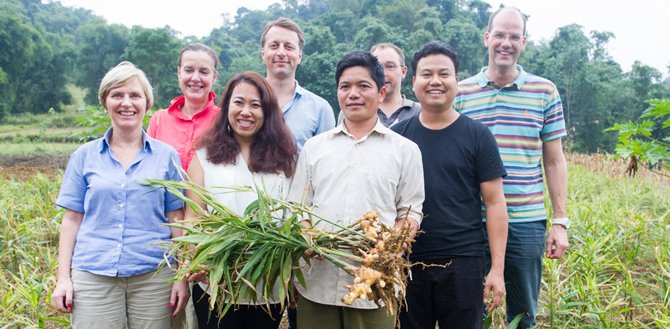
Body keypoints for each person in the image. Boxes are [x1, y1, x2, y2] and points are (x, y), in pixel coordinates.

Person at [286, 51, 424, 329]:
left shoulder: (405, 150)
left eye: (364, 86)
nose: (353, 94)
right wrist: (308, 234)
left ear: (382, 92)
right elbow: (296, 206)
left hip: (374, 287)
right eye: (345, 86)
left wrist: (388, 251)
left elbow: (411, 211)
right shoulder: (316, 148)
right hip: (317, 281)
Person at [454, 7, 570, 328]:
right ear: (487, 38)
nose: (506, 43)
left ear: (524, 43)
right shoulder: (460, 93)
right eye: (500, 35)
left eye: (514, 37)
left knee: (523, 315)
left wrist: (559, 221)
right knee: (468, 314)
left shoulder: (544, 91)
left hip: (525, 222)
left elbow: (555, 159)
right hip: (470, 221)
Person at [51, 61, 189, 328]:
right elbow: (71, 220)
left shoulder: (166, 157)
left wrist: (181, 276)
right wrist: (63, 278)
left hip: (155, 275)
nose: (127, 103)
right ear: (105, 102)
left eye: (135, 95)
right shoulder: (84, 156)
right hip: (94, 274)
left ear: (147, 104)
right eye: (117, 95)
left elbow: (177, 218)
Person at [392, 41, 508, 329]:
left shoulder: (478, 136)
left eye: (444, 74)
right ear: (414, 80)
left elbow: (494, 203)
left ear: (456, 81)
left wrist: (497, 269)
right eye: (427, 74)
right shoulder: (396, 138)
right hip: (407, 261)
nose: (435, 81)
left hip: (463, 263)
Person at [184, 71, 298, 329]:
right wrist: (196, 256)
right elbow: (193, 216)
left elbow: (294, 216)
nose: (245, 111)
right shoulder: (204, 157)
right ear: (226, 109)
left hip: (266, 284)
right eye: (238, 102)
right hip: (215, 280)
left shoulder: (286, 162)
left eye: (255, 105)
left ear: (267, 112)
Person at [260, 17, 336, 152]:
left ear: (299, 56)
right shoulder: (244, 105)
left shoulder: (320, 110)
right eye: (274, 45)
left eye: (289, 47)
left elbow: (326, 164)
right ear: (263, 54)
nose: (281, 53)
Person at [147, 43, 220, 171]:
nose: (195, 78)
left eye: (204, 72)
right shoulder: (159, 120)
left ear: (214, 77)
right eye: (188, 70)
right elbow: (147, 166)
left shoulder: (223, 121)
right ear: (179, 73)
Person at [337, 43, 421, 127]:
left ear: (403, 71)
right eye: (378, 67)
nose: (383, 73)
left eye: (390, 66)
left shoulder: (419, 112)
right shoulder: (353, 110)